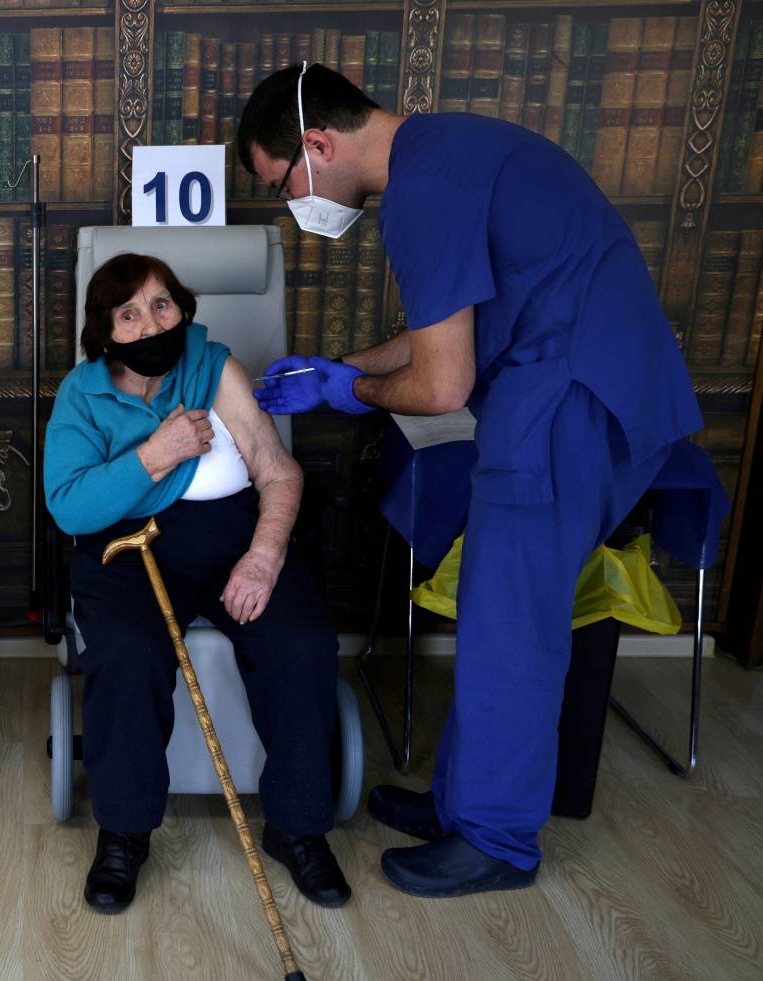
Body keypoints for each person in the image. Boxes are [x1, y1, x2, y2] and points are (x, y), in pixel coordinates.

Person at [237, 62, 702, 898]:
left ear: (318, 143)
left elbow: (441, 384)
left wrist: (353, 393)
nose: (293, 206)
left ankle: (496, 841)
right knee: (495, 607)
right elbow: (449, 331)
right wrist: (340, 369)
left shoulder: (423, 195)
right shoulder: (446, 152)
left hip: (573, 401)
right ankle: (462, 803)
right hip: (575, 386)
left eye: (284, 185)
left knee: (510, 625)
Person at [44, 252, 350, 915]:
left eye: (162, 304)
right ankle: (124, 830)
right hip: (127, 545)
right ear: (106, 333)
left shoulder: (214, 366)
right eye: (129, 313)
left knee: (301, 640)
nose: (149, 321)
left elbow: (280, 471)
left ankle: (297, 825)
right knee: (127, 651)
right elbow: (68, 505)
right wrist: (158, 452)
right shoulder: (83, 393)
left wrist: (264, 556)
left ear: (182, 308)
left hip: (238, 536)